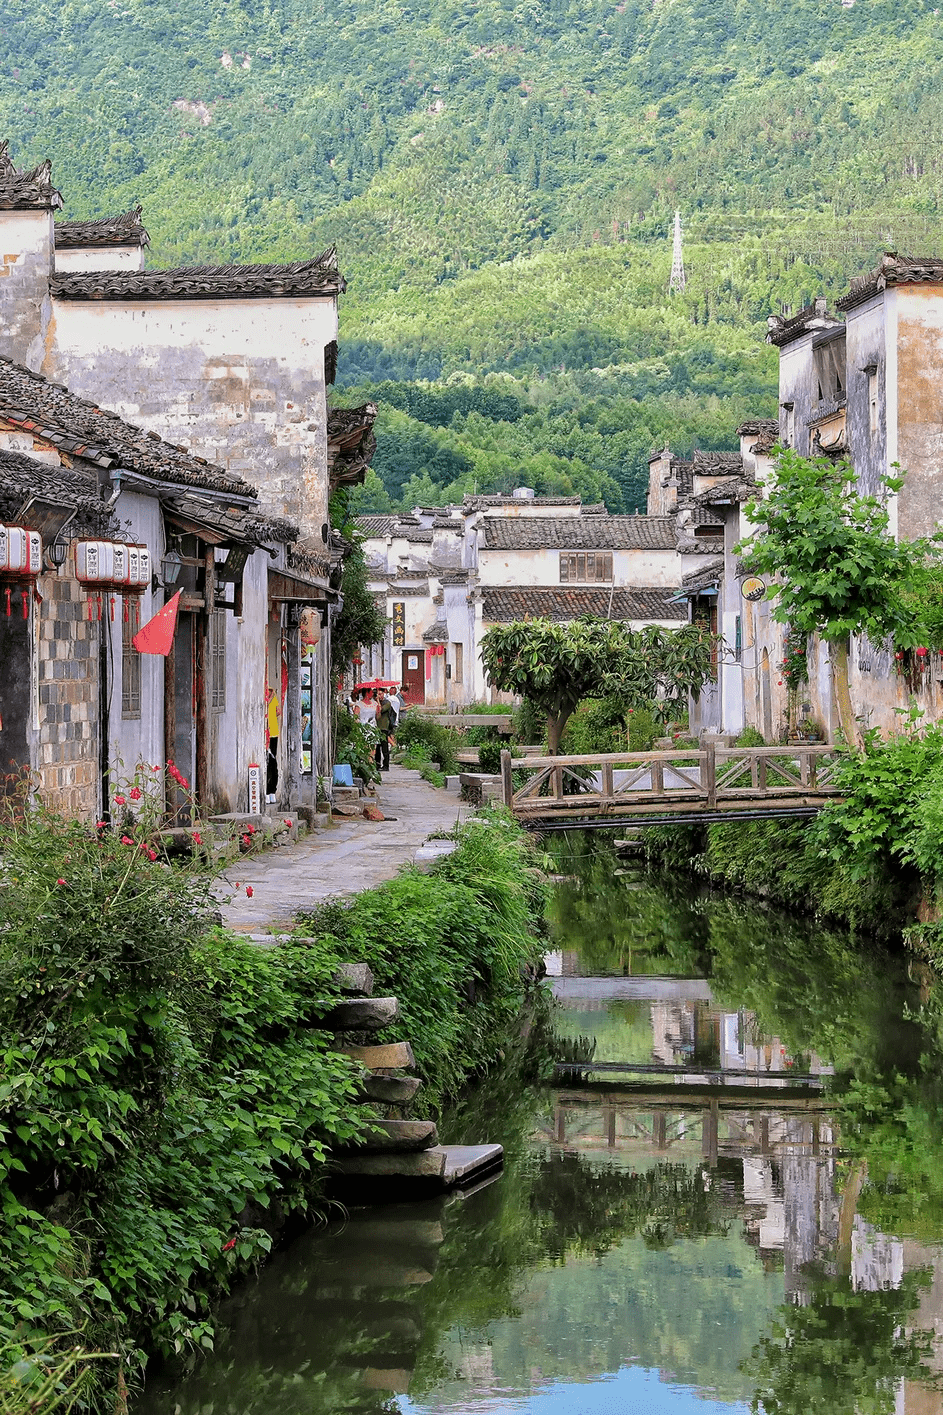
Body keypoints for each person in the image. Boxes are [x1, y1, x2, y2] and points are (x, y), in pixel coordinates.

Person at [375, 691, 393, 771]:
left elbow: (381, 710)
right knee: (377, 747)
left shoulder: (387, 703)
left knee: (384, 747)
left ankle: (386, 765)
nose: (380, 696)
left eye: (381, 694)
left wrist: (378, 701)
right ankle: (377, 764)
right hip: (376, 727)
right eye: (378, 694)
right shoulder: (374, 702)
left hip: (384, 727)